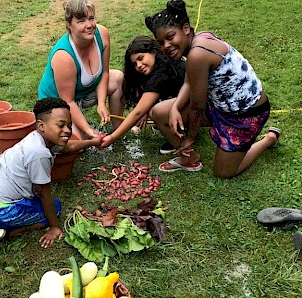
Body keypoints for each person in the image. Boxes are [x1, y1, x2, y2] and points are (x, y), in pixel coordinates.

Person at [145, 0, 282, 178]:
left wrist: (190, 137)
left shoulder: (198, 54)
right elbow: (189, 81)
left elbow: (197, 106)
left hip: (244, 115)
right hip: (219, 106)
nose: (166, 46)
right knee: (159, 112)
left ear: (186, 28)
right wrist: (176, 107)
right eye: (161, 42)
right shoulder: (198, 40)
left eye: (170, 37)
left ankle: (268, 139)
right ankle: (189, 158)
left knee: (224, 172)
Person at [0, 98, 102, 255]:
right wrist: (54, 226)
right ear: (42, 126)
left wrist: (92, 142)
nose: (68, 130)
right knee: (54, 207)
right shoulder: (39, 154)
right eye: (61, 125)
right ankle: (5, 233)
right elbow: (44, 194)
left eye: (69, 125)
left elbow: (69, 146)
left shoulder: (37, 138)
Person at [100, 35, 202, 171]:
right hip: (191, 105)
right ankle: (174, 130)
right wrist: (145, 110)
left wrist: (112, 137)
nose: (139, 65)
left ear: (153, 52)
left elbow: (138, 112)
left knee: (157, 112)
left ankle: (189, 156)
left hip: (200, 110)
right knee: (152, 108)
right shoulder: (159, 63)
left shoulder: (161, 72)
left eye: (141, 58)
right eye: (135, 64)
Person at [38, 0, 124, 138]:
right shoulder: (64, 56)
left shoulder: (102, 34)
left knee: (118, 78)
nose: (89, 25)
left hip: (83, 92)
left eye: (91, 18)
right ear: (69, 25)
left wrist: (101, 103)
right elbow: (68, 101)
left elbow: (105, 73)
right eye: (81, 21)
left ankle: (118, 127)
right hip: (60, 101)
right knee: (77, 141)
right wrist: (89, 131)